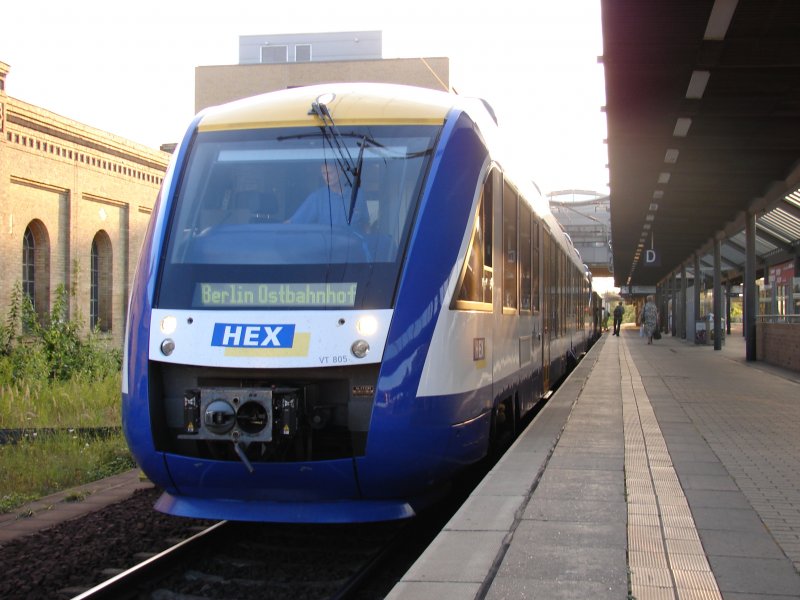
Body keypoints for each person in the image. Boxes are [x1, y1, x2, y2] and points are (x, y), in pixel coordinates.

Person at [288, 162, 370, 229]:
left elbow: (365, 225)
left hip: (354, 247)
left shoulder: (358, 195)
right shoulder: (317, 197)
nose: (327, 177)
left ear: (340, 171)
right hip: (328, 247)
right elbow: (293, 224)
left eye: (330, 173)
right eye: (324, 174)